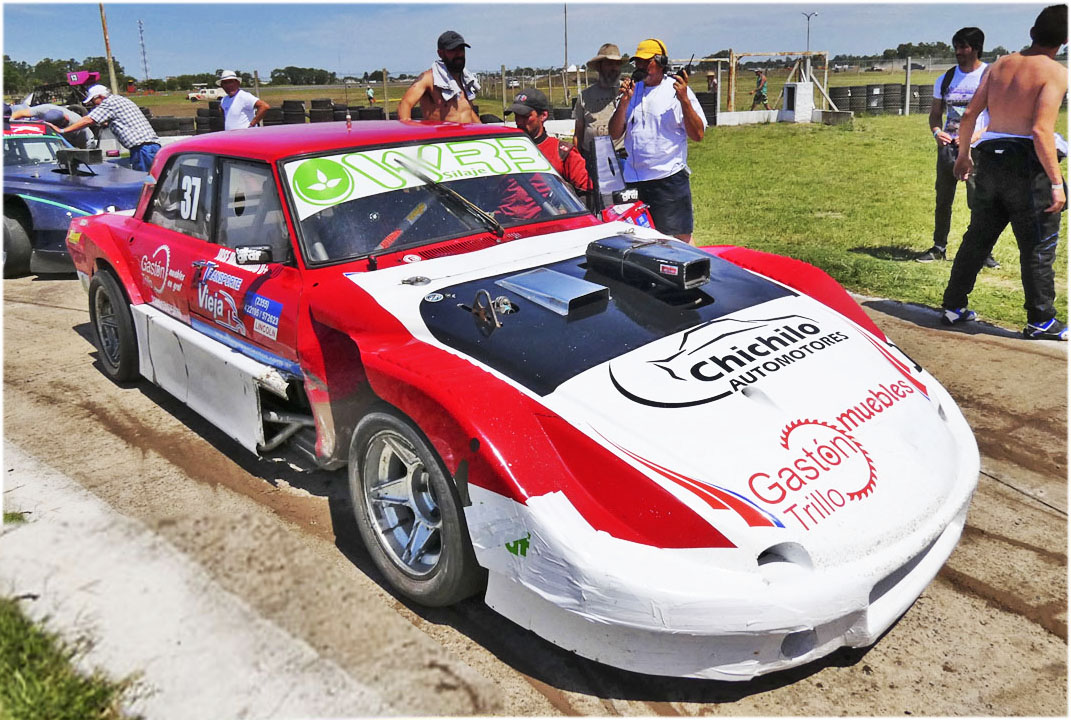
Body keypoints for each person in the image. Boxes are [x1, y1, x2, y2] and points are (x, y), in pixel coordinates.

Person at [941, 4, 1068, 341]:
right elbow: (1040, 131)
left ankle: (954, 305)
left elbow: (970, 114)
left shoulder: (999, 65)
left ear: (1032, 32)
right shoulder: (1055, 72)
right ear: (1065, 42)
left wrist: (963, 156)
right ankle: (1041, 319)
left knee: (977, 238)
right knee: (1038, 245)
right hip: (1027, 165)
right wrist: (1056, 183)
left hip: (989, 159)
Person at [609, 38, 706, 244]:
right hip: (634, 179)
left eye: (647, 62)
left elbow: (698, 134)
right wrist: (624, 102)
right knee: (637, 240)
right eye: (638, 62)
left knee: (678, 240)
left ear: (661, 62)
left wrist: (684, 100)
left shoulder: (677, 90)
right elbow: (614, 133)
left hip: (667, 177)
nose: (641, 67)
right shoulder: (632, 91)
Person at [917, 27, 998, 269]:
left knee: (979, 202)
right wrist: (936, 132)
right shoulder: (946, 79)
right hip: (948, 149)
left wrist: (974, 137)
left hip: (978, 150)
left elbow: (998, 117)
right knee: (943, 200)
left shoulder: (990, 77)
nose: (958, 52)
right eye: (956, 47)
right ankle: (938, 247)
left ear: (976, 48)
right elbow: (935, 114)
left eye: (963, 47)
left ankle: (982, 252)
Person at [59, 85, 161, 171]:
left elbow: (88, 120)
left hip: (142, 149)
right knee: (154, 179)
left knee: (143, 180)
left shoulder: (109, 103)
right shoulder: (120, 100)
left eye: (93, 101)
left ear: (99, 96)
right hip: (150, 146)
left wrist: (63, 130)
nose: (94, 105)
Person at [509, 88, 591, 196]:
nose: (518, 121)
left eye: (525, 116)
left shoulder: (562, 152)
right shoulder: (504, 150)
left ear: (543, 116)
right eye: (516, 116)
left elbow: (587, 191)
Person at [397, 31, 481, 123]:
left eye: (461, 49)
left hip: (466, 132)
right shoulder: (429, 78)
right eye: (453, 50)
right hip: (441, 132)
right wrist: (408, 127)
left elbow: (466, 110)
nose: (459, 54)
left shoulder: (466, 80)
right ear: (440, 53)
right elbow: (405, 103)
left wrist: (482, 128)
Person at [572, 43, 625, 190]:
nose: (614, 68)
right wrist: (578, 161)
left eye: (617, 64)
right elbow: (578, 133)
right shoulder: (585, 96)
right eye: (609, 64)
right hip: (592, 158)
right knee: (594, 197)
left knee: (620, 198)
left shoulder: (626, 91)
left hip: (619, 157)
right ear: (600, 66)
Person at [10, 103, 91, 148]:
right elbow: (20, 113)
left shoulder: (77, 126)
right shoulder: (45, 108)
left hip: (85, 142)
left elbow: (79, 148)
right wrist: (9, 121)